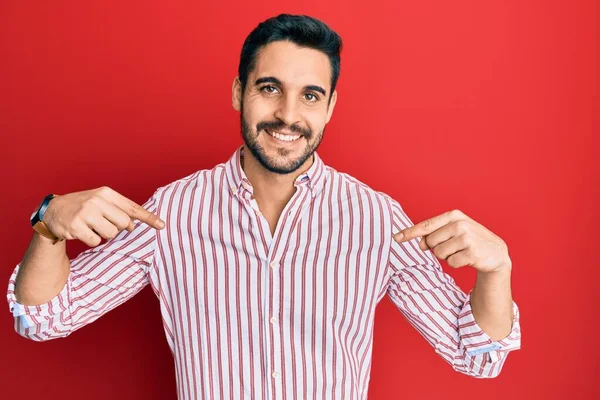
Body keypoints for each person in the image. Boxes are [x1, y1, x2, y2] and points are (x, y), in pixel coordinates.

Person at [6, 14, 521, 400]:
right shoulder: (173, 213)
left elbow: (476, 355)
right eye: (269, 88)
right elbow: (42, 319)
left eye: (310, 96)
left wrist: (497, 269)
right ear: (238, 92)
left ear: (331, 107)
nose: (288, 116)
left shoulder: (375, 219)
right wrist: (47, 226)